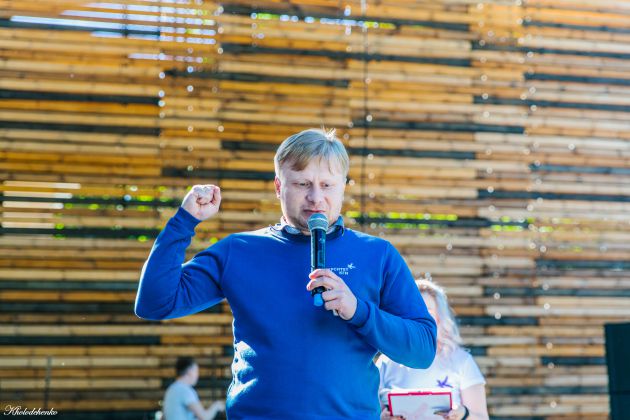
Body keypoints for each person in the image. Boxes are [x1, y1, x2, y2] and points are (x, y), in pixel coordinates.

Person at [135, 128, 437, 419]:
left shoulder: (377, 254)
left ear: (343, 186)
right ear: (279, 187)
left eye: (327, 185)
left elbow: (423, 350)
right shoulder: (238, 251)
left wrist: (358, 310)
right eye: (303, 184)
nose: (316, 197)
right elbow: (155, 303)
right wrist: (184, 221)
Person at [377, 276, 488, 420]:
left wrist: (463, 414)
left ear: (440, 317)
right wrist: (382, 417)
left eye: (427, 312)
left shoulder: (462, 361)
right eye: (412, 311)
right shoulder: (386, 361)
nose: (419, 318)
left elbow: (482, 417)